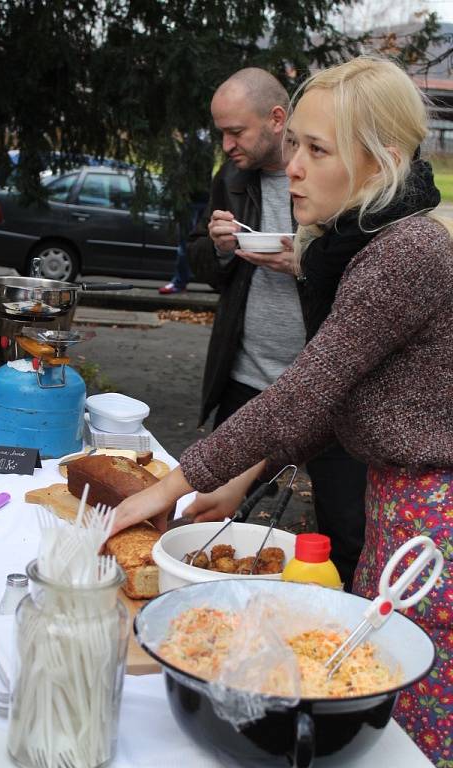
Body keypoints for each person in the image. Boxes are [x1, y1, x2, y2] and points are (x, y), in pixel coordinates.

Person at [114, 56, 451, 764]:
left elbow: (304, 388)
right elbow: (337, 404)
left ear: (381, 159)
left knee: (412, 729)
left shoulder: (407, 252)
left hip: (431, 525)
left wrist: (171, 484)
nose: (293, 166)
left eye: (317, 149)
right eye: (294, 143)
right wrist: (241, 479)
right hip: (401, 511)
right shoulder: (368, 244)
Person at [187, 67, 367, 590]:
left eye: (236, 132)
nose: (227, 145)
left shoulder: (333, 179)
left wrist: (304, 265)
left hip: (327, 395)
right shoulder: (232, 179)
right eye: (220, 132)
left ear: (277, 118)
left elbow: (366, 278)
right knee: (219, 520)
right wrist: (219, 249)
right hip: (247, 381)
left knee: (345, 534)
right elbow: (200, 260)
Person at [159, 131, 214, 294]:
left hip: (195, 201)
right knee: (186, 245)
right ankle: (179, 281)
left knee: (186, 245)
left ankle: (179, 282)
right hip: (194, 201)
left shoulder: (196, 147)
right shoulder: (200, 145)